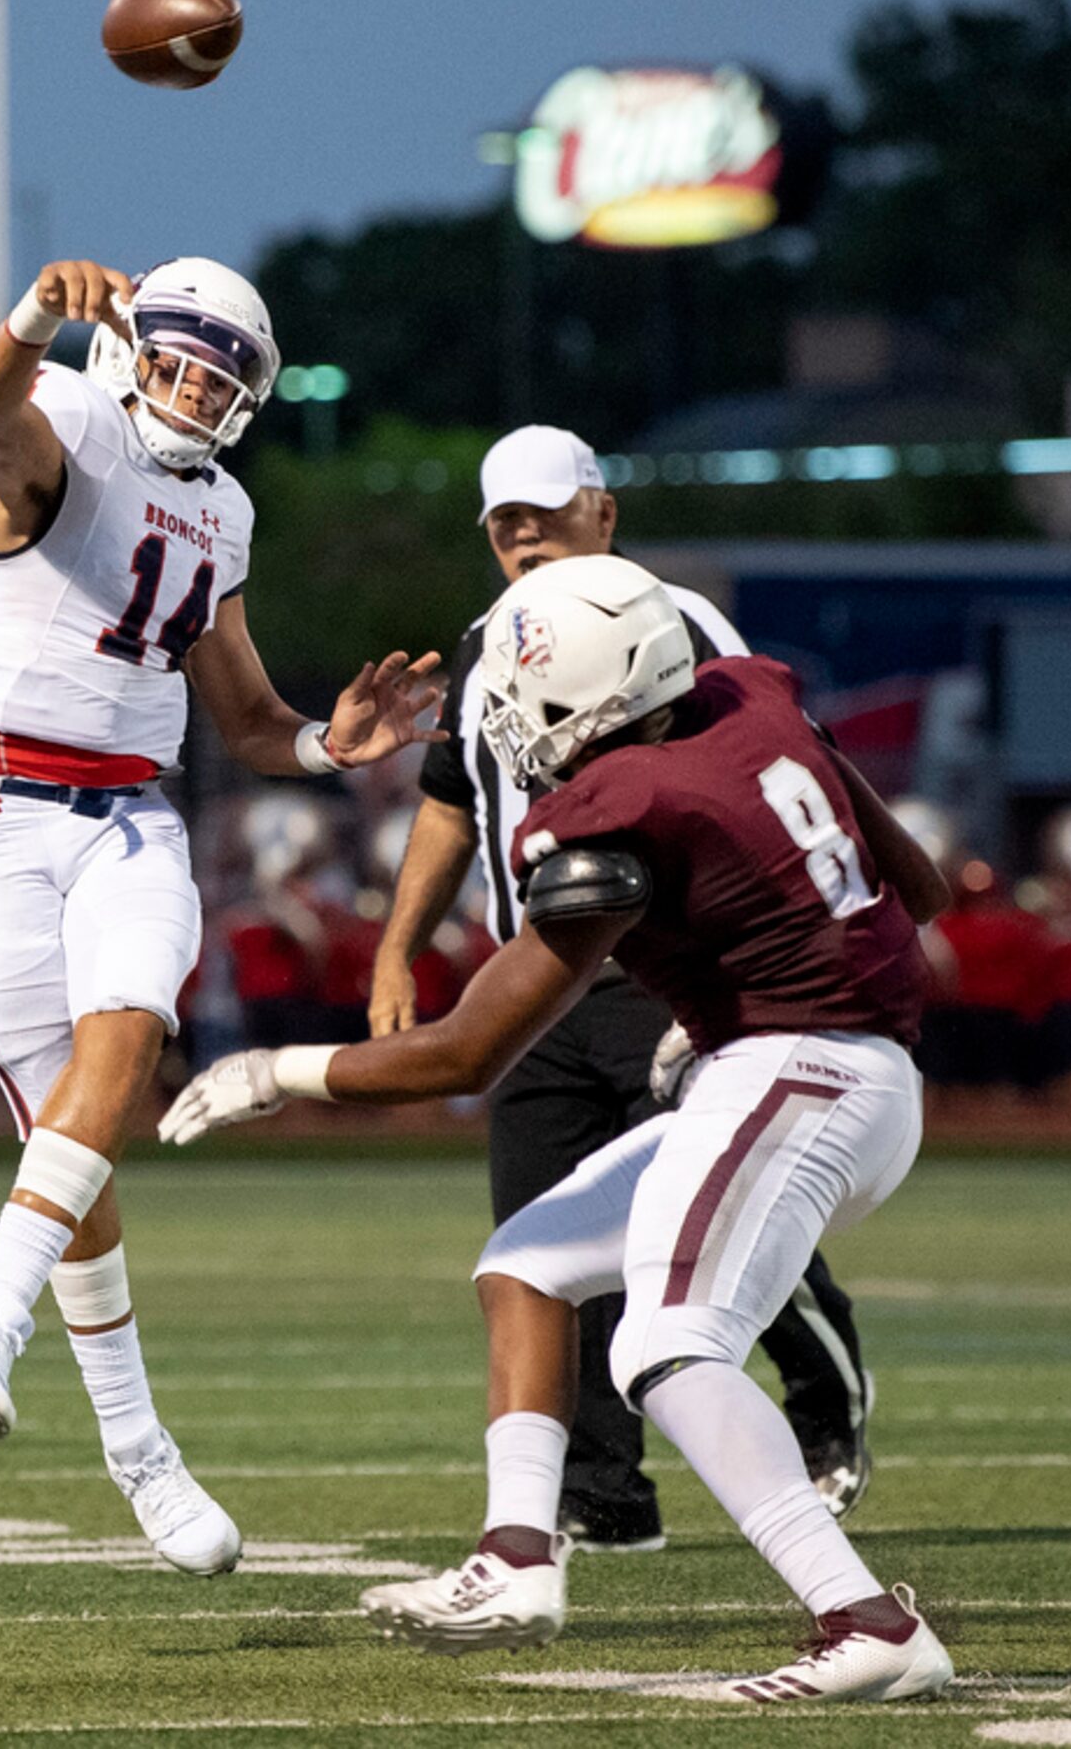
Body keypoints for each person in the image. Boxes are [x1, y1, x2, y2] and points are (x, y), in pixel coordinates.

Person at [163, 554, 954, 1704]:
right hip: (809, 1059)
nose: (506, 718)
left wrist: (281, 1070)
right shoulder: (753, 697)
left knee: (665, 1348)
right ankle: (518, 1559)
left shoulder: (619, 803)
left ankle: (866, 1620)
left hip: (806, 1073)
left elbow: (466, 1052)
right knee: (527, 1263)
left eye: (523, 691)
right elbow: (917, 889)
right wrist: (732, 992)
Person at [0, 257, 443, 1575]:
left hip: (132, 815)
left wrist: (328, 741)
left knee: (122, 1052)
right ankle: (141, 1453)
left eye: (224, 374)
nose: (197, 386)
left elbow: (244, 717)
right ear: (135, 351)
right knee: (61, 1153)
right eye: (182, 357)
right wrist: (29, 314)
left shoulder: (226, 515)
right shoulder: (67, 418)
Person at [365, 424, 875, 1550]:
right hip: (533, 981)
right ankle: (604, 1490)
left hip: (659, 972)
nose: (526, 535)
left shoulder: (679, 624)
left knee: (702, 1217)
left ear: (605, 512)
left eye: (547, 512)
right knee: (546, 1241)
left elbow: (775, 769)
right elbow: (450, 800)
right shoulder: (485, 638)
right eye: (506, 522)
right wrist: (399, 948)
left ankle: (825, 1388)